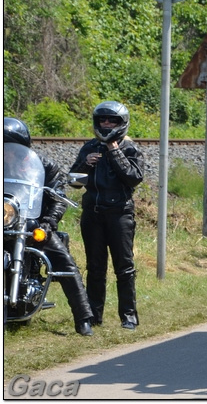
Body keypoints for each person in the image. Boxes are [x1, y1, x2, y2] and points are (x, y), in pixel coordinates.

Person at [3, 117, 95, 336]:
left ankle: (83, 319)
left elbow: (58, 197)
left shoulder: (45, 166)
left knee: (65, 262)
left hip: (33, 223)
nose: (8, 152)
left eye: (11, 146)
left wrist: (47, 224)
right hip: (5, 221)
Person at [70, 101, 145, 330]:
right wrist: (85, 164)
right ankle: (94, 315)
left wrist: (114, 151)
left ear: (121, 123)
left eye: (111, 120)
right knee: (95, 267)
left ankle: (129, 315)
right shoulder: (89, 147)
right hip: (93, 214)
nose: (106, 123)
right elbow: (74, 182)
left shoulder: (131, 149)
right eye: (102, 120)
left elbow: (134, 177)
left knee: (124, 267)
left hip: (120, 215)